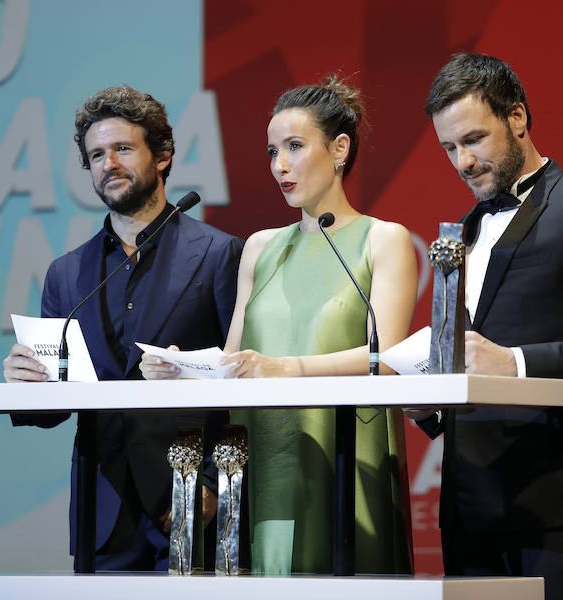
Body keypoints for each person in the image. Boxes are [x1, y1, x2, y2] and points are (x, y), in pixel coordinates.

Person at [140, 76, 418, 575]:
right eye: (272, 151)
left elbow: (389, 359)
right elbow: (234, 361)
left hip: (344, 450)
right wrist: (180, 369)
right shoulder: (260, 247)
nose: (279, 166)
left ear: (339, 149)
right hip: (261, 452)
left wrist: (285, 368)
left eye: (294, 147)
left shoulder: (384, 239)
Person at [407, 54, 563, 599]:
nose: (463, 162)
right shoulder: (465, 228)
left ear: (517, 117)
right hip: (467, 508)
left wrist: (513, 362)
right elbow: (468, 360)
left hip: (553, 507)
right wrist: (433, 402)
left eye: (473, 139)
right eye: (449, 148)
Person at [2, 85, 243, 571]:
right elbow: (53, 409)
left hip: (192, 497)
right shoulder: (66, 274)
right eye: (96, 154)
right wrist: (25, 383)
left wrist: (218, 485)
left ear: (162, 157)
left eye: (123, 149)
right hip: (104, 505)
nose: (108, 163)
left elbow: (246, 379)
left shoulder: (221, 255)